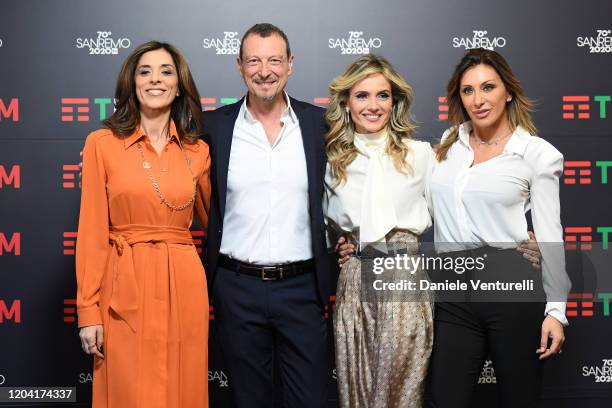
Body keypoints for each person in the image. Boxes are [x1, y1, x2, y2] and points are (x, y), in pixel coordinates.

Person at [424, 48, 570, 407]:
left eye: (488, 87)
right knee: (444, 399)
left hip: (511, 288)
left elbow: (550, 234)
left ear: (508, 91)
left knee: (519, 398)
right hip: (453, 289)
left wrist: (556, 310)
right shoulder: (446, 147)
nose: (478, 99)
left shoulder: (536, 154)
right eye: (468, 90)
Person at [201, 23, 330, 408]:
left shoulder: (321, 125)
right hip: (237, 288)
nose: (265, 70)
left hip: (303, 288)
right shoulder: (214, 127)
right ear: (239, 66)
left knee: (311, 400)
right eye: (254, 61)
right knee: (248, 400)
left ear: (290, 64)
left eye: (274, 60)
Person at [76, 41, 210, 408]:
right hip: (123, 282)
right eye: (145, 71)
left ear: (179, 84)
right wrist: (88, 311)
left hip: (184, 282)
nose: (155, 79)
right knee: (126, 389)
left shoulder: (198, 150)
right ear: (132, 82)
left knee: (183, 386)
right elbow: (90, 232)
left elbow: (218, 224)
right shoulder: (101, 144)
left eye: (166, 71)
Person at [324, 54, 436, 407]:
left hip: (403, 276)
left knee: (402, 391)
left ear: (395, 101)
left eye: (382, 96)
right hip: (354, 279)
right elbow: (326, 228)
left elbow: (456, 213)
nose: (373, 106)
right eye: (362, 96)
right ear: (346, 102)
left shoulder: (421, 155)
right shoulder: (332, 160)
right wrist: (341, 244)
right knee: (355, 392)